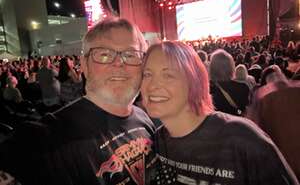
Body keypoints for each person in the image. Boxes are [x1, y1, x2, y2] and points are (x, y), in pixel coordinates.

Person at [0, 18, 156, 185]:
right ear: (85, 66)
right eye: (104, 54)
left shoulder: (145, 118)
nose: (118, 63)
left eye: (130, 54)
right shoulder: (50, 138)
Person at [141, 40, 299, 185]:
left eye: (168, 75)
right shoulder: (154, 143)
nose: (152, 85)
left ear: (194, 81)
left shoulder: (242, 139)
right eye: (147, 74)